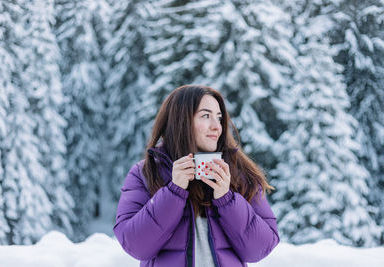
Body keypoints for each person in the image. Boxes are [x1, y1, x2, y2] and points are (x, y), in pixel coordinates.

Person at [113, 85, 279, 267]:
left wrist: (227, 200)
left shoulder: (238, 173)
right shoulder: (145, 173)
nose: (217, 126)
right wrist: (173, 192)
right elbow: (135, 245)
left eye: (219, 118)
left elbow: (260, 248)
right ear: (181, 120)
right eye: (206, 116)